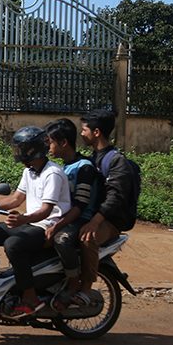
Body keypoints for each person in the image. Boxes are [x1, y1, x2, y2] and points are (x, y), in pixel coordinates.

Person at [0, 126, 72, 319]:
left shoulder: (52, 173)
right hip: (29, 222)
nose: (17, 153)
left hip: (46, 226)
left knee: (13, 244)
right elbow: (15, 199)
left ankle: (30, 298)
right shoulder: (29, 172)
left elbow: (46, 210)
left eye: (21, 149)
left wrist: (23, 219)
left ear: (32, 150)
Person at [77, 109, 137, 303]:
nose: (81, 133)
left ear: (96, 132)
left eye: (84, 129)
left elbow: (116, 197)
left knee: (88, 238)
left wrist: (95, 222)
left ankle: (85, 289)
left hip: (109, 222)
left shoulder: (116, 161)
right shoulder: (92, 158)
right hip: (93, 216)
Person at [43, 118, 101, 309]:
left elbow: (81, 205)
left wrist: (57, 226)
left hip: (79, 218)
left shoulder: (83, 167)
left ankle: (74, 281)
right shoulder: (60, 167)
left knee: (62, 239)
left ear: (63, 143)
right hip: (65, 216)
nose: (48, 147)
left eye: (51, 142)